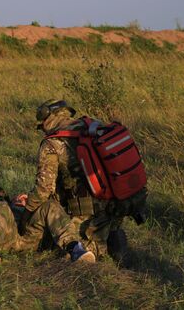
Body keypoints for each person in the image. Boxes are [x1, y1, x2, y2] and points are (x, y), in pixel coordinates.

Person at [23, 99, 147, 259]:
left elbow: (43, 189)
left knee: (60, 246)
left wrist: (27, 214)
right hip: (115, 206)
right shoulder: (93, 127)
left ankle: (98, 246)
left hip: (86, 216)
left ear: (46, 120)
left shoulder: (53, 144)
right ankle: (112, 235)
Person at [0, 186, 95, 266]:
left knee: (50, 205)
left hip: (28, 239)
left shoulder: (17, 208)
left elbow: (52, 215)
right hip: (3, 240)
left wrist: (31, 205)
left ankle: (75, 247)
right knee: (1, 207)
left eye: (4, 197)